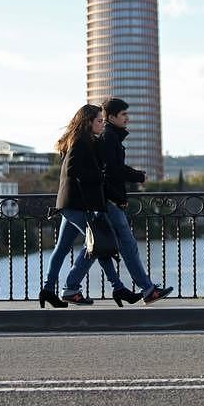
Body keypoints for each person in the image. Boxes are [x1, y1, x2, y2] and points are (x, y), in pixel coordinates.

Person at [39, 104, 140, 308]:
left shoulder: (82, 140)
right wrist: (99, 176)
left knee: (62, 248)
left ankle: (49, 290)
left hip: (70, 203)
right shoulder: (80, 141)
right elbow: (73, 170)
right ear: (88, 122)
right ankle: (113, 287)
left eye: (103, 120)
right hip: (76, 204)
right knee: (98, 243)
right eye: (99, 121)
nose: (102, 124)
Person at [99, 97, 173, 305]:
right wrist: (138, 176)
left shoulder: (112, 136)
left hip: (112, 201)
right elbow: (113, 170)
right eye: (123, 114)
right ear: (111, 117)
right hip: (111, 202)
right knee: (125, 246)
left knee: (97, 248)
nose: (127, 118)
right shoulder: (109, 137)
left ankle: (70, 286)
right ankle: (147, 289)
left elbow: (114, 169)